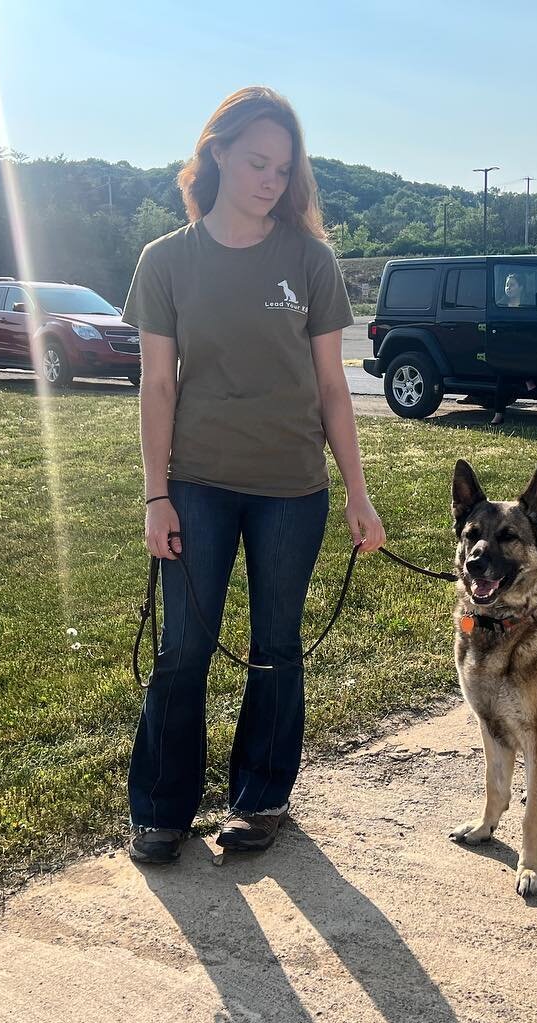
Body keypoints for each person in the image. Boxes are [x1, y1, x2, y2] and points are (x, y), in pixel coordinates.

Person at [122, 87, 386, 865]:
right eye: (256, 162)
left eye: (284, 166)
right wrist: (155, 493)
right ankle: (161, 810)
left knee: (276, 644)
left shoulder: (309, 260)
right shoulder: (165, 260)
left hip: (291, 489)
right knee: (183, 649)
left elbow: (333, 388)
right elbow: (158, 384)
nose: (272, 179)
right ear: (217, 157)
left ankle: (260, 798)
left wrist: (358, 495)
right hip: (196, 484)